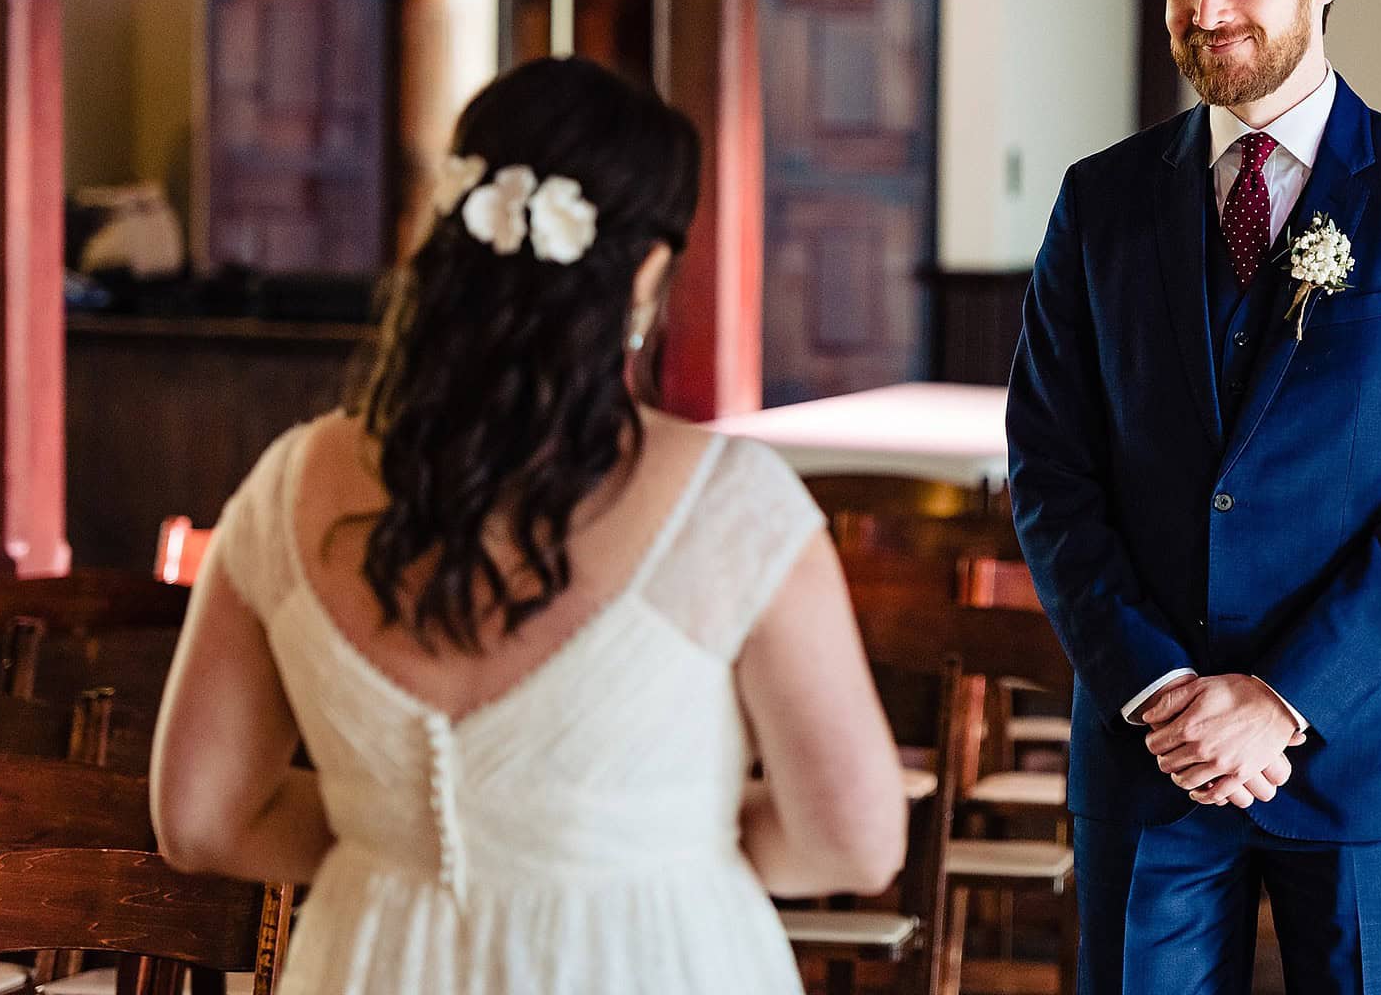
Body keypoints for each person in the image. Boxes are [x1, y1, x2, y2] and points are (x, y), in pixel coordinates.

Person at [150, 56, 907, 995]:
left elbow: (201, 819)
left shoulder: (287, 485)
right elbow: (855, 843)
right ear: (647, 271)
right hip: (647, 958)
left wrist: (393, 836)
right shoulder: (732, 505)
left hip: (373, 961)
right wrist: (644, 832)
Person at [1007, 0, 1381, 995]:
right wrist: (1158, 692)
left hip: (1362, 749)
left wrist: (1281, 699)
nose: (1208, 8)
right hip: (1154, 749)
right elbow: (1047, 469)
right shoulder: (1101, 201)